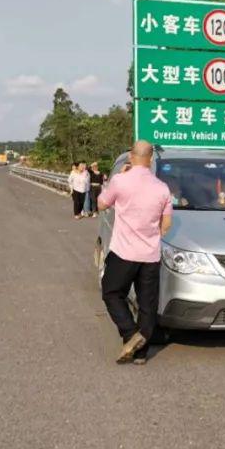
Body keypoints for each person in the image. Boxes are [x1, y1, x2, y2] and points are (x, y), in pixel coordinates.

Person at [97, 141, 173, 364]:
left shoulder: (120, 181)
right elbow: (166, 224)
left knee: (111, 292)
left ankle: (130, 334)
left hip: (123, 252)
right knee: (147, 303)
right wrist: (150, 236)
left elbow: (102, 204)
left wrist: (114, 180)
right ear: (150, 159)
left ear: (131, 156)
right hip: (150, 254)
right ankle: (140, 352)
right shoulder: (162, 187)